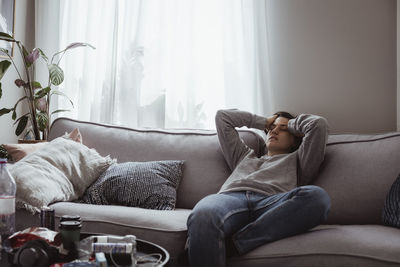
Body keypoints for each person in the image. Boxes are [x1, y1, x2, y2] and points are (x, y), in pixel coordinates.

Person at [186, 109, 331, 267]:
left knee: (318, 197)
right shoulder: (244, 156)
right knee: (203, 214)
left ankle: (235, 244)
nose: (274, 130)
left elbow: (318, 125)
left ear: (295, 140)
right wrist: (264, 122)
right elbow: (223, 117)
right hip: (231, 199)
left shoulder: (300, 161)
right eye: (271, 128)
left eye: (282, 129)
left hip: (273, 204)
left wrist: (290, 123)